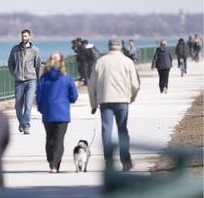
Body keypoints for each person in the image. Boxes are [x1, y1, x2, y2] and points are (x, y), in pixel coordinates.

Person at [88, 37, 140, 172]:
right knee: (122, 130)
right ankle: (126, 161)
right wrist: (131, 98)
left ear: (109, 46)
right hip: (122, 100)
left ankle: (109, 161)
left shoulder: (100, 62)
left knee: (106, 132)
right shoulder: (127, 62)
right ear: (121, 46)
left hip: (105, 100)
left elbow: (91, 85)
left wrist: (93, 104)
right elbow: (135, 85)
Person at [36, 51, 78, 173]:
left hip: (48, 111)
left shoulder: (44, 77)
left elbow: (39, 95)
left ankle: (51, 161)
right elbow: (74, 96)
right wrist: (67, 100)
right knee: (59, 139)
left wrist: (41, 108)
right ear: (61, 62)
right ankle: (55, 164)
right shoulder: (67, 77)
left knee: (49, 138)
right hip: (62, 112)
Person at [8, 29, 41, 134]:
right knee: (18, 106)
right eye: (22, 36)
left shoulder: (35, 50)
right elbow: (10, 62)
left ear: (30, 36)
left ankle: (26, 126)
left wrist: (38, 78)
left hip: (31, 79)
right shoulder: (15, 49)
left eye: (25, 36)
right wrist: (14, 73)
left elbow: (38, 65)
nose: (24, 38)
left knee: (28, 104)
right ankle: (21, 122)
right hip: (19, 81)